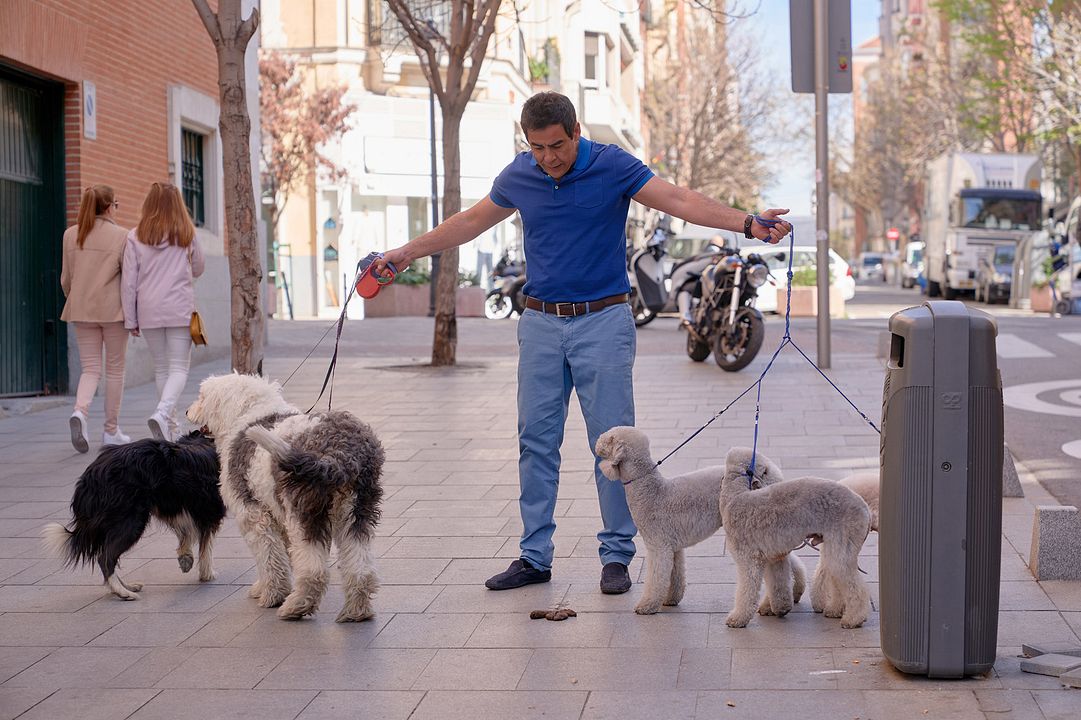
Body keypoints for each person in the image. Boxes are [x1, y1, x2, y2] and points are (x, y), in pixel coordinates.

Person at [376, 92, 790, 594]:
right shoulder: (519, 175)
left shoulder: (613, 166)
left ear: (575, 131)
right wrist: (403, 253)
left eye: (556, 145)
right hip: (540, 323)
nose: (548, 158)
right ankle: (534, 556)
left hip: (604, 321)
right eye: (536, 148)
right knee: (536, 441)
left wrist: (747, 223)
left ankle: (617, 554)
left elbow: (679, 199)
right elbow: (467, 222)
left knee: (618, 447)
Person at [121, 182, 204, 442]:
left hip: (148, 310)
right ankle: (163, 412)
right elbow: (199, 267)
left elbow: (128, 282)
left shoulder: (135, 236)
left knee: (161, 369)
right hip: (179, 308)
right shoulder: (187, 234)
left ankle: (172, 426)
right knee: (179, 368)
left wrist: (130, 318)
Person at [61, 185, 131, 452]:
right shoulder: (122, 235)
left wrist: (75, 297)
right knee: (115, 370)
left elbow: (66, 278)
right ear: (109, 206)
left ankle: (80, 412)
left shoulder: (70, 235)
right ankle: (111, 431)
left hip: (81, 310)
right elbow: (128, 279)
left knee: (90, 368)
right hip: (113, 312)